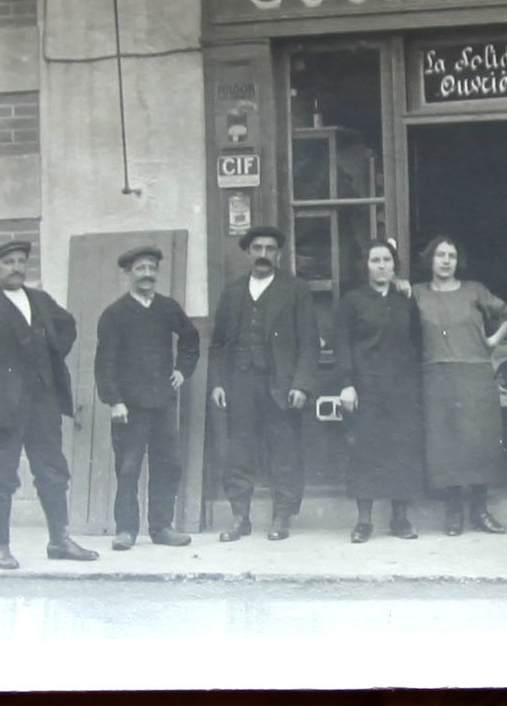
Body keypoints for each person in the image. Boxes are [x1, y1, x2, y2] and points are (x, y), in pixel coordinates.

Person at [0, 240, 97, 570]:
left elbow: (67, 325)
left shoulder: (40, 300)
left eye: (21, 261)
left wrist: (52, 351)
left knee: (53, 472)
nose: (16, 267)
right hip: (3, 410)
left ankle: (59, 540)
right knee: (1, 476)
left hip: (44, 403)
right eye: (8, 262)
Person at [209, 226, 319, 542]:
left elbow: (309, 342)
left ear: (279, 255)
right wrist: (217, 383)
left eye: (270, 249)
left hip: (281, 385)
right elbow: (217, 345)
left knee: (284, 451)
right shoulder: (232, 292)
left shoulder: (295, 289)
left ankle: (281, 516)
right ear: (248, 253)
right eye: (257, 248)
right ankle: (240, 518)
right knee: (239, 451)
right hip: (240, 384)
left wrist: (301, 384)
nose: (263, 255)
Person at [94, 244, 200, 551]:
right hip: (129, 407)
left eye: (152, 268)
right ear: (128, 274)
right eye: (140, 269)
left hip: (163, 403)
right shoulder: (114, 314)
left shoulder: (167, 308)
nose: (147, 275)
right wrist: (114, 400)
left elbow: (191, 339)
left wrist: (183, 370)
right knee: (128, 469)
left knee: (167, 465)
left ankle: (161, 527)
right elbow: (105, 363)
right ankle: (126, 530)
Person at [412, 236, 507, 536]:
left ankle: (480, 511)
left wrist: (492, 341)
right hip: (437, 375)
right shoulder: (417, 293)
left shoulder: (475, 290)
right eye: (440, 255)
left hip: (475, 374)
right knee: (446, 445)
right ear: (429, 260)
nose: (446, 261)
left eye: (452, 256)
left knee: (479, 443)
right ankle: (454, 511)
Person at [331, 239, 425, 543]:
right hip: (366, 386)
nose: (382, 266)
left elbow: (417, 340)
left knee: (402, 450)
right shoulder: (353, 301)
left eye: (387, 260)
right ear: (366, 265)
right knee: (366, 451)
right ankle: (364, 522)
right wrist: (347, 384)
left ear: (394, 265)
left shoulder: (405, 299)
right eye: (375, 260)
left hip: (402, 387)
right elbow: (342, 343)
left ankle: (400, 519)